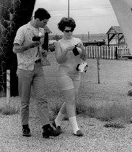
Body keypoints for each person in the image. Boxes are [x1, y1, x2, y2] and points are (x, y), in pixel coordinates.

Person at [13, 8, 60, 139]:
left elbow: (41, 48)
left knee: (42, 99)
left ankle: (46, 127)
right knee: (25, 101)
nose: (46, 24)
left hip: (38, 67)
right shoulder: (22, 30)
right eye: (44, 22)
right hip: (24, 69)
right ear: (37, 19)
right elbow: (15, 48)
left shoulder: (42, 31)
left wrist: (44, 52)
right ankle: (25, 126)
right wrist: (29, 45)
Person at [52, 17, 87, 137]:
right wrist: (66, 49)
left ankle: (57, 121)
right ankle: (75, 128)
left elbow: (84, 58)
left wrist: (82, 49)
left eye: (71, 30)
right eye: (67, 31)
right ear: (62, 30)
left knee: (71, 99)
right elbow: (59, 60)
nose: (69, 32)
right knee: (70, 100)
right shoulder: (58, 43)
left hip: (77, 73)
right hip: (64, 73)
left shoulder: (78, 40)